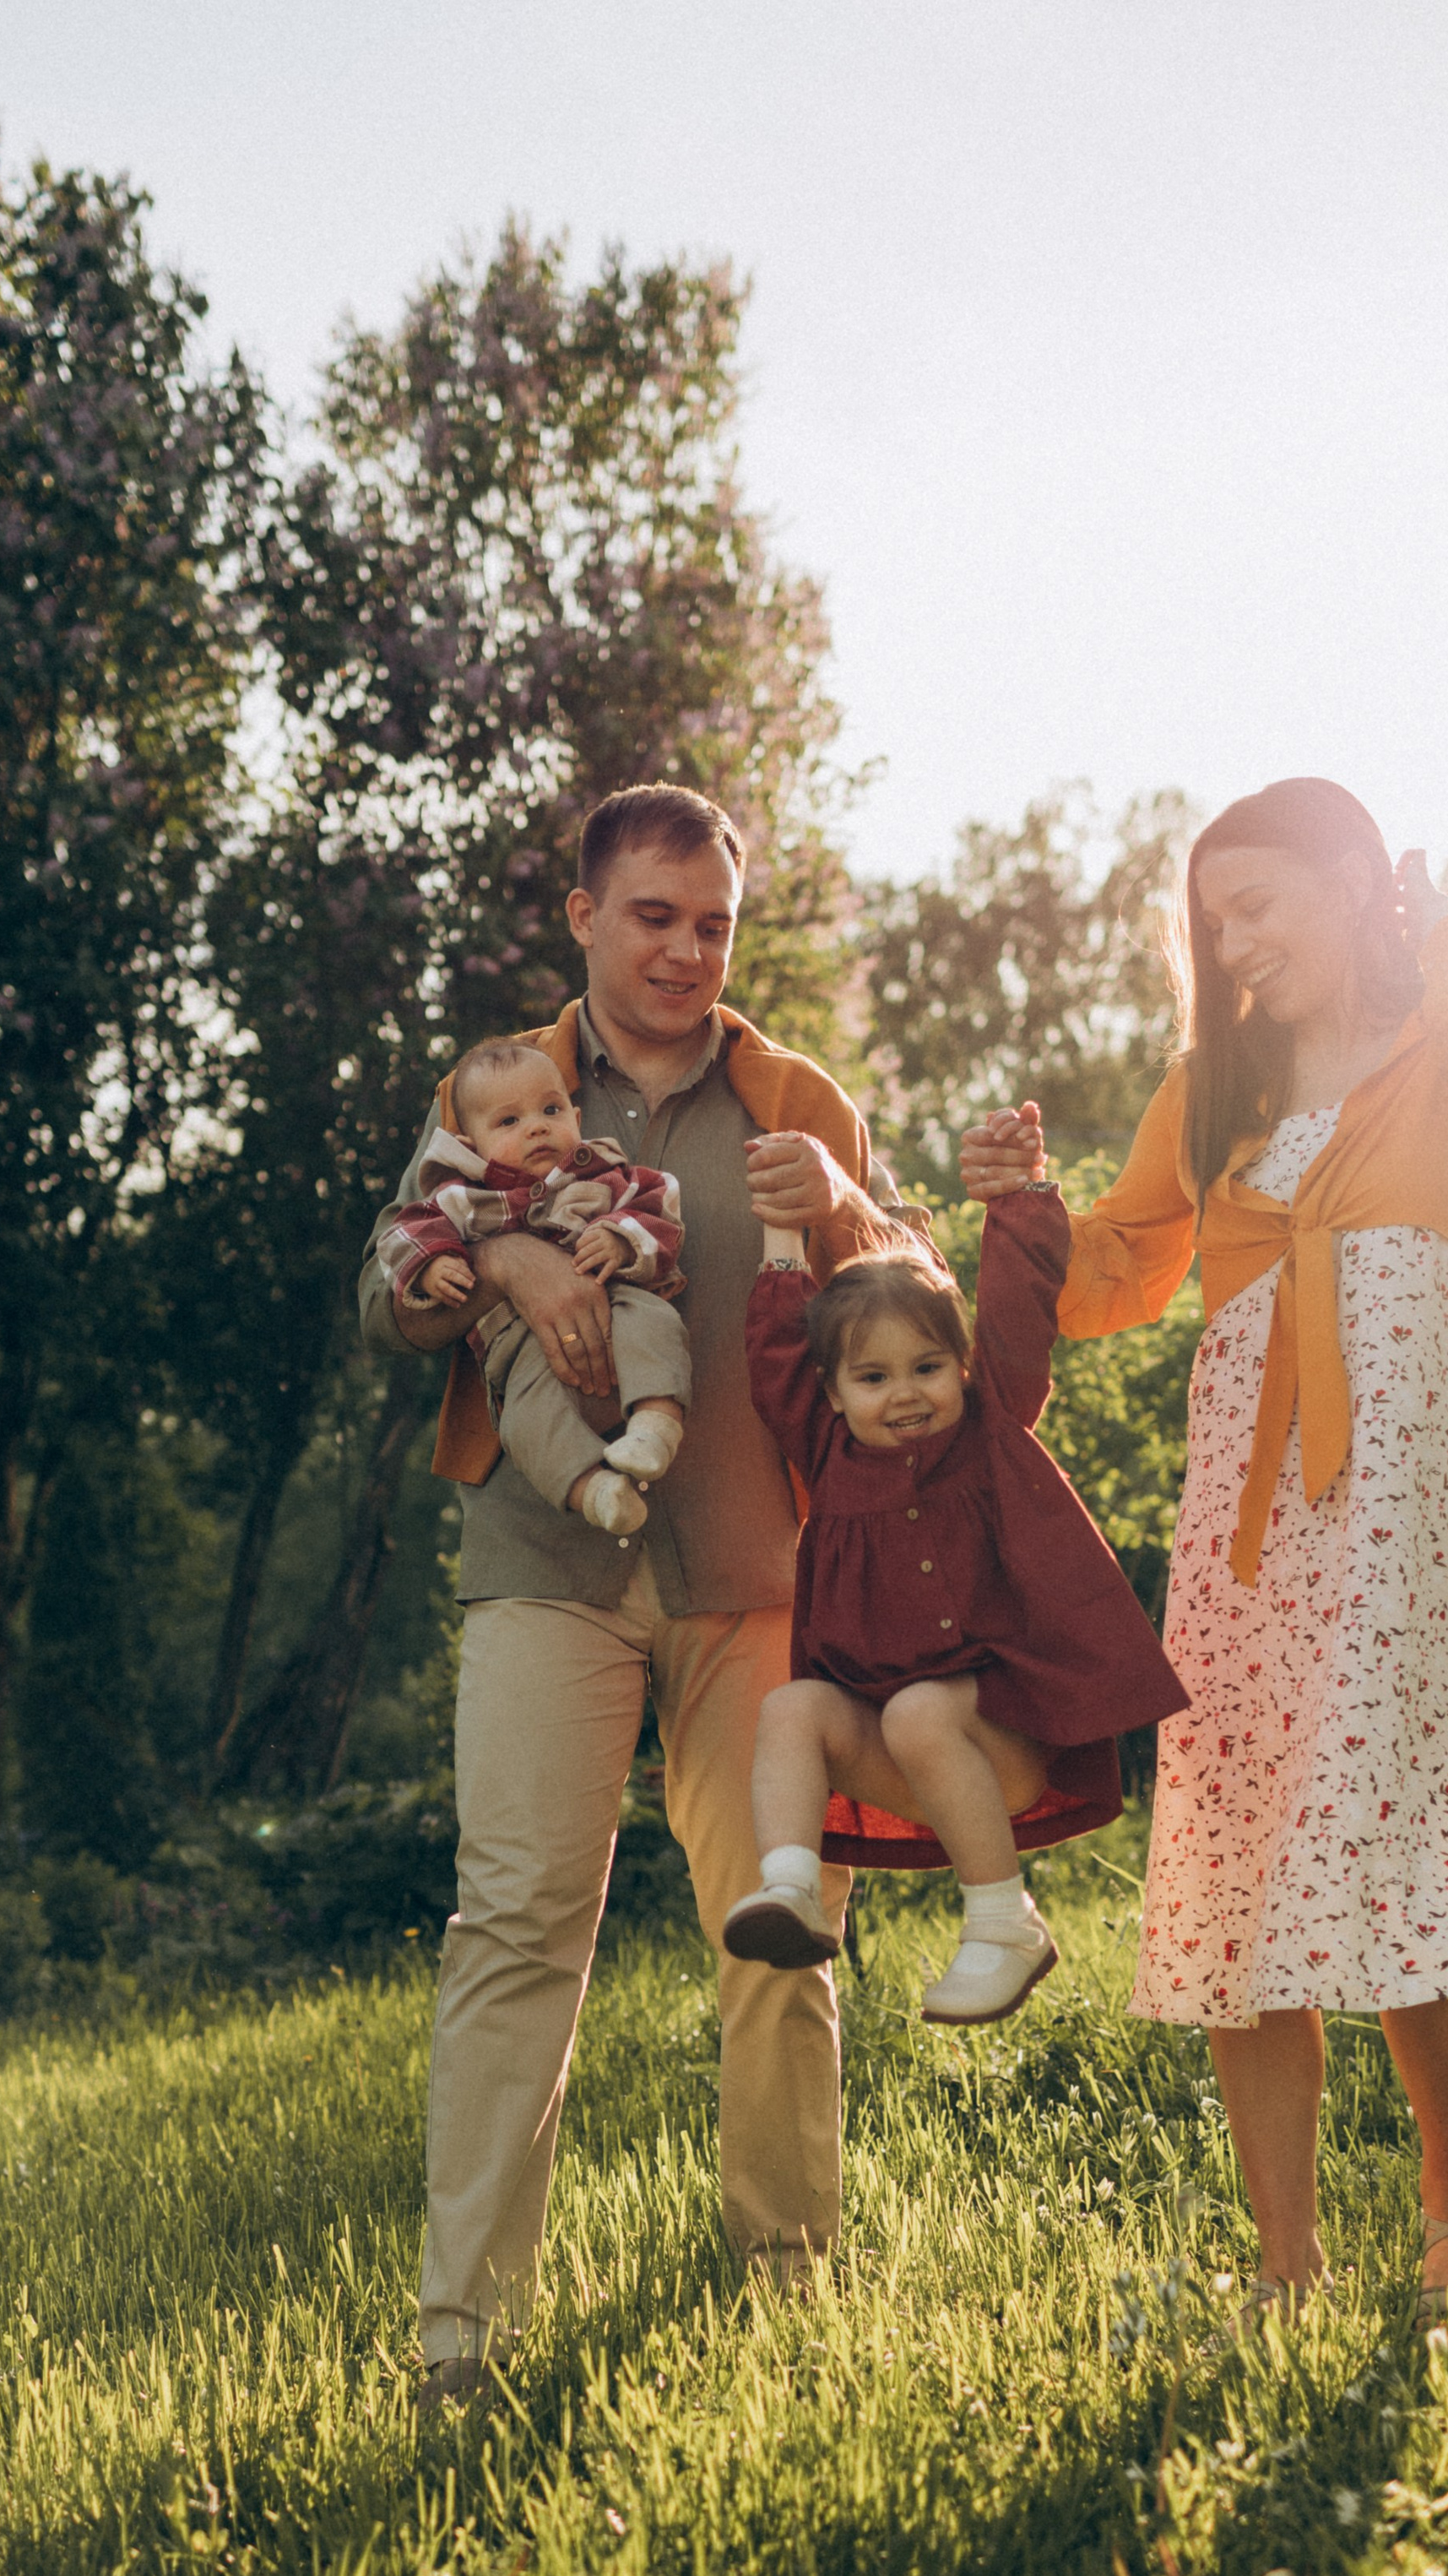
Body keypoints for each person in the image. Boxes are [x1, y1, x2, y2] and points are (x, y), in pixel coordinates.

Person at [963, 778, 1448, 2326]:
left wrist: (1412, 914)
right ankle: (1288, 2266)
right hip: (1250, 1504)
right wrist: (1024, 1209)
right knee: (1242, 1843)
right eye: (1213, 917)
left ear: (1353, 884)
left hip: (1410, 1489)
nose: (1234, 940)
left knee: (1402, 1826)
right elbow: (1113, 1277)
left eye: (1265, 904)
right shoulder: (1211, 1088)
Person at [361, 782, 925, 2411]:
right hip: (548, 1567)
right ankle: (461, 2332)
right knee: (520, 1921)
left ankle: (789, 2289)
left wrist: (857, 1215)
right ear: (587, 917)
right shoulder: (500, 1088)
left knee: (781, 1931)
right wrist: (507, 1264)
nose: (686, 950)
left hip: (760, 1580)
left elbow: (907, 1318)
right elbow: (388, 1287)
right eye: (654, 916)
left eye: (714, 924)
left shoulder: (795, 1093)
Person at [724, 1197, 1189, 2019]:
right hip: (909, 1751)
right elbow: (773, 1358)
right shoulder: (826, 1453)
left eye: (926, 1367)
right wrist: (780, 1233)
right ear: (828, 1393)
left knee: (915, 1712)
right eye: (872, 1378)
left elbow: (1017, 1314)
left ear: (964, 1367)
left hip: (1000, 1739)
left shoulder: (987, 1429)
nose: (903, 1394)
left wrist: (1018, 1196)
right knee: (793, 1707)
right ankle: (791, 1888)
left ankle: (1003, 1923)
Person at [376, 1037, 689, 1539]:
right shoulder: (461, 1198)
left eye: (550, 1109)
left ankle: (655, 1426)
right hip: (516, 1347)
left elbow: (658, 1207)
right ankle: (593, 1490)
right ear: (472, 1146)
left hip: (616, 1299)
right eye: (509, 1122)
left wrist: (622, 1240)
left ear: (577, 1119)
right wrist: (433, 1265)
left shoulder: (600, 1172)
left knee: (657, 1322)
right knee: (524, 1421)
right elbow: (403, 1236)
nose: (537, 1126)